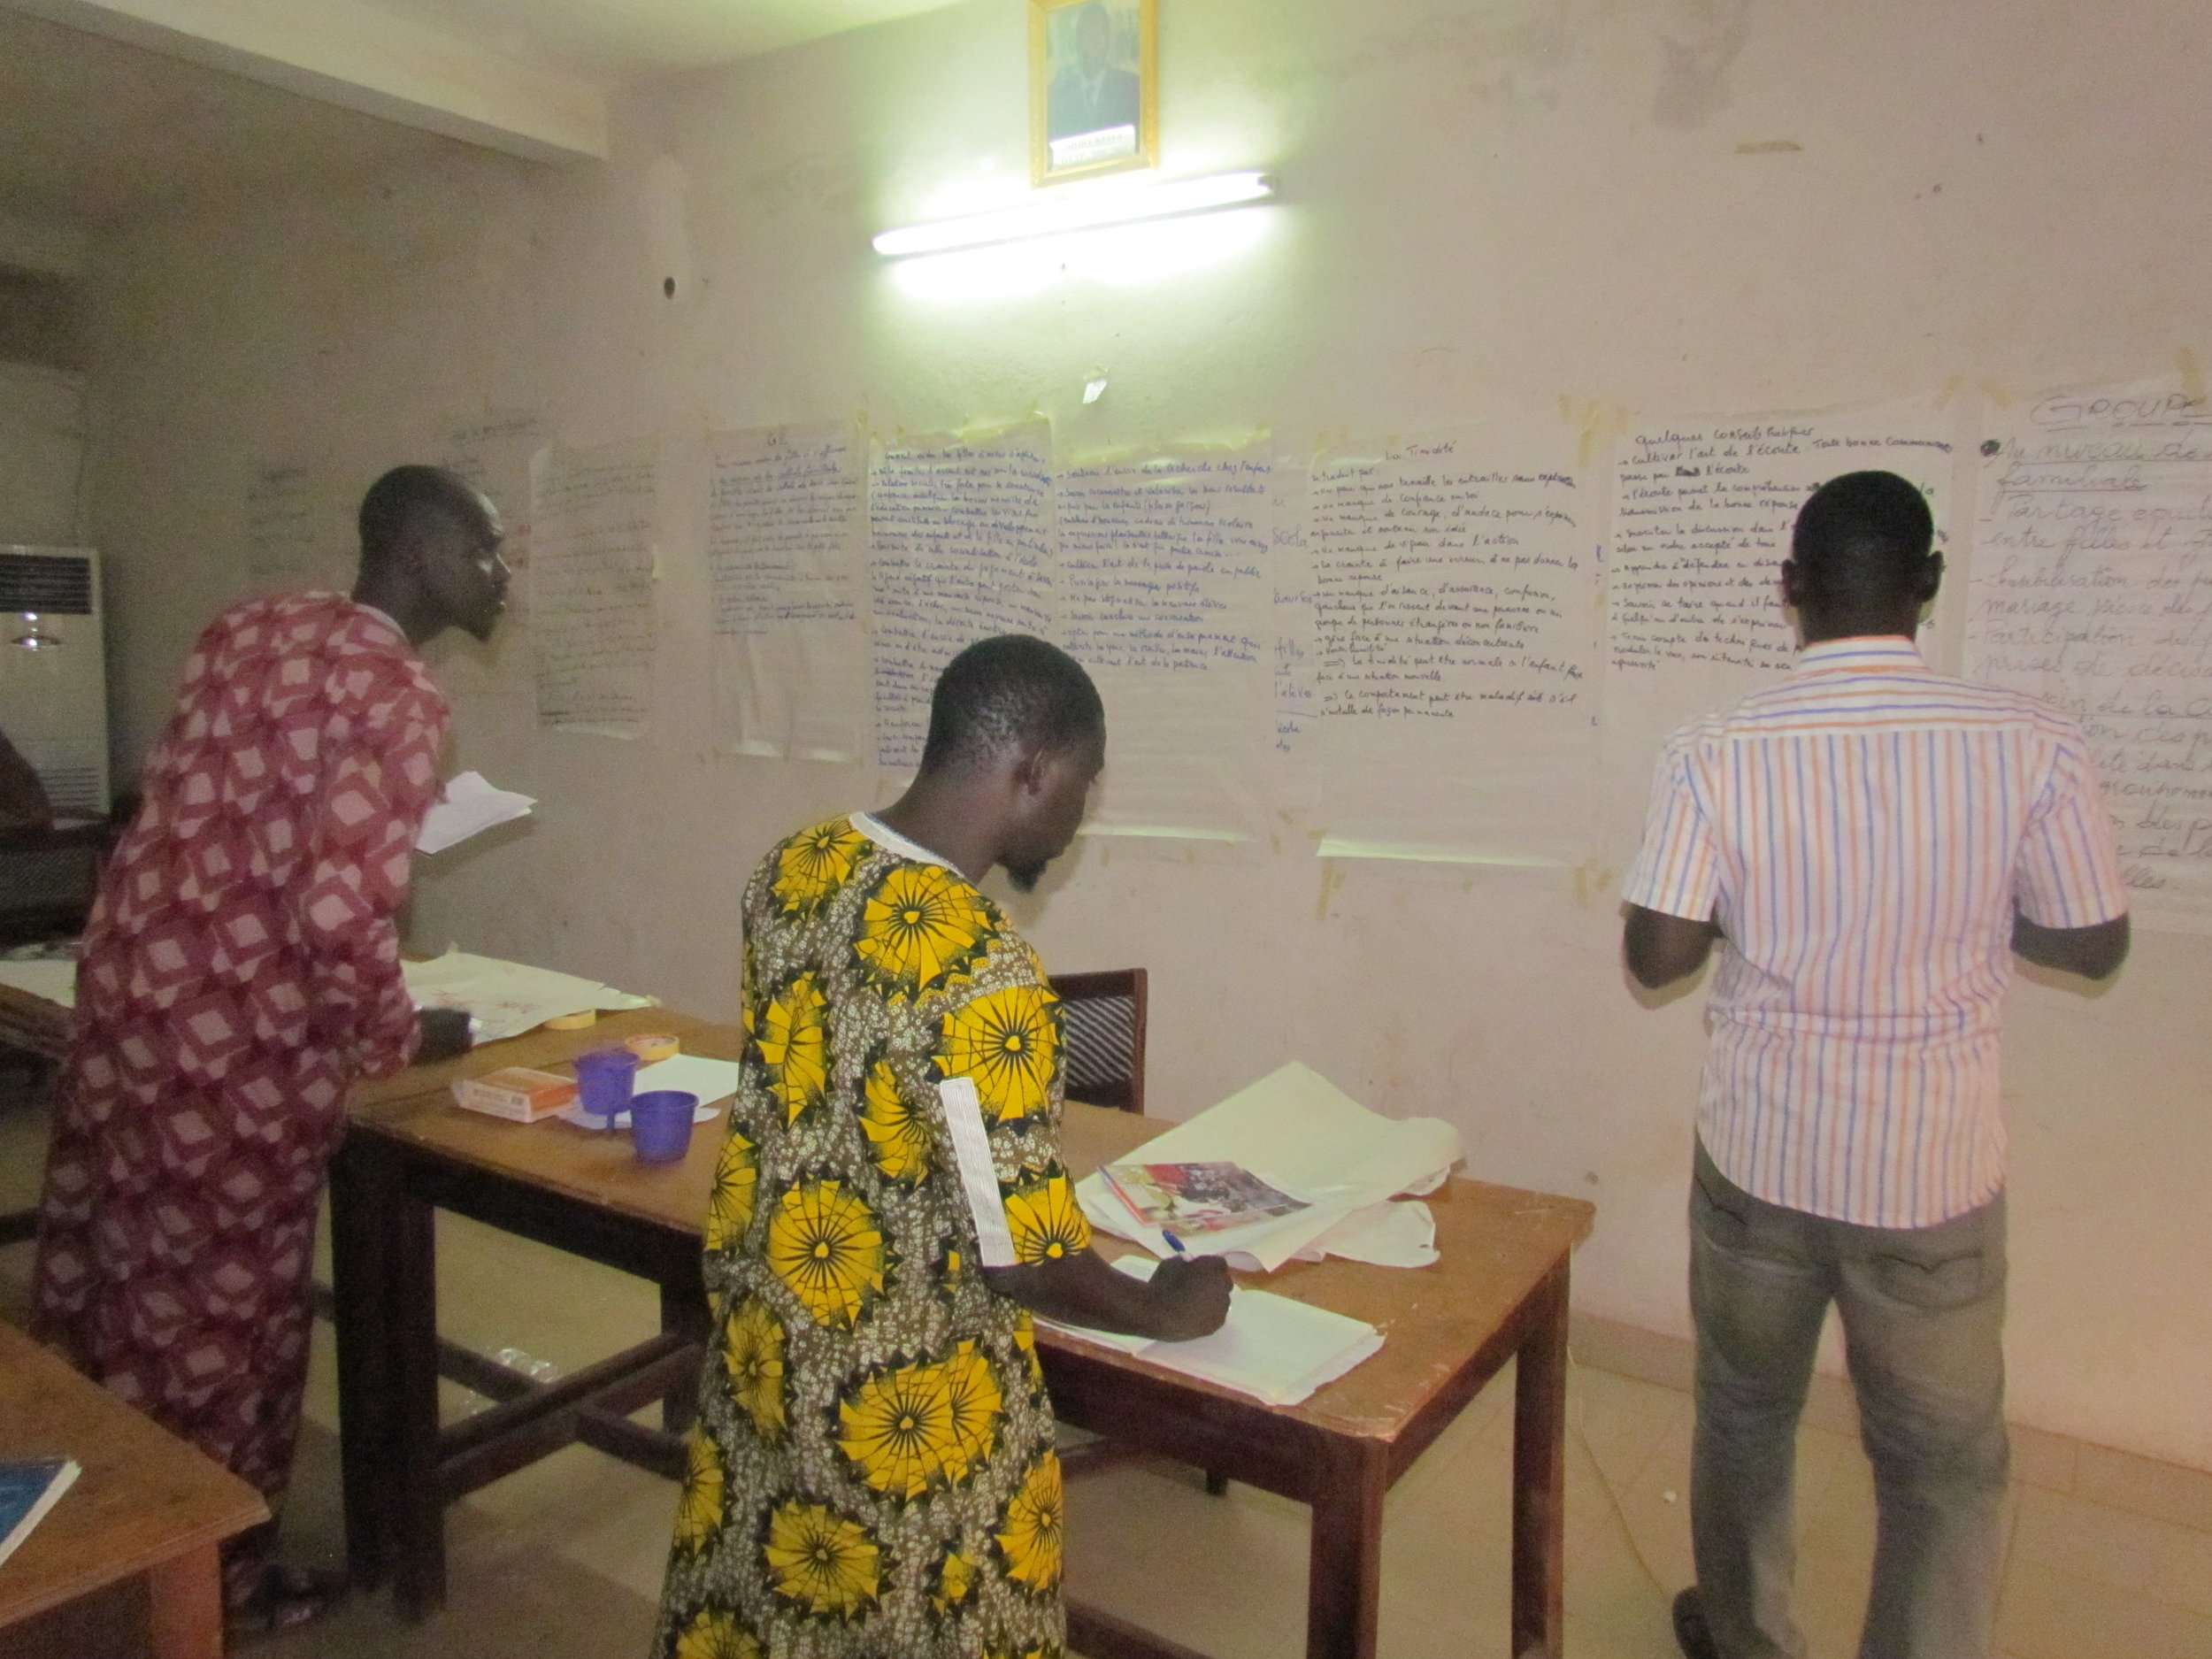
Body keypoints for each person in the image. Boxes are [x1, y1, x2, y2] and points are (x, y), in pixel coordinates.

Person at [1621, 471, 2130, 1659]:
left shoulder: (1714, 748)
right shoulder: (2031, 742)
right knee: (1943, 1460)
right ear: (1929, 586)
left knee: (1746, 1413)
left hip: (1762, 1158)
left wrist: (1761, 919)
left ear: (1790, 590)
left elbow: (1655, 958)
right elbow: (2096, 938)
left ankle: (1747, 1633)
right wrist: (1969, 914)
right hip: (1933, 1172)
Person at [652, 634, 1229, 1659]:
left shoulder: (794, 865)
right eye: (1082, 787)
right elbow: (1025, 1254)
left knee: (774, 1603)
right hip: (904, 1401)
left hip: (764, 1341)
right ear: (1033, 770)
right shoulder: (983, 970)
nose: (1079, 814)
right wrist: (1160, 1310)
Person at [30, 465, 508, 1634]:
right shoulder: (397, 694)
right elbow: (339, 922)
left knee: (110, 1280)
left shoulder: (250, 627)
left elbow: (181, 796)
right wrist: (398, 1037)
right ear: (422, 554)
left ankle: (81, 1537)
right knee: (219, 1326)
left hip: (126, 1004)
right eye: (487, 551)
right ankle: (207, 1590)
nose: (502, 577)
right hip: (234, 1060)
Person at [1046, 0, 1141, 142]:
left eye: (1099, 34)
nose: (1093, 41)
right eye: (1087, 34)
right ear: (1077, 42)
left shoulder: (1130, 87)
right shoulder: (1058, 93)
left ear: (1108, 40)